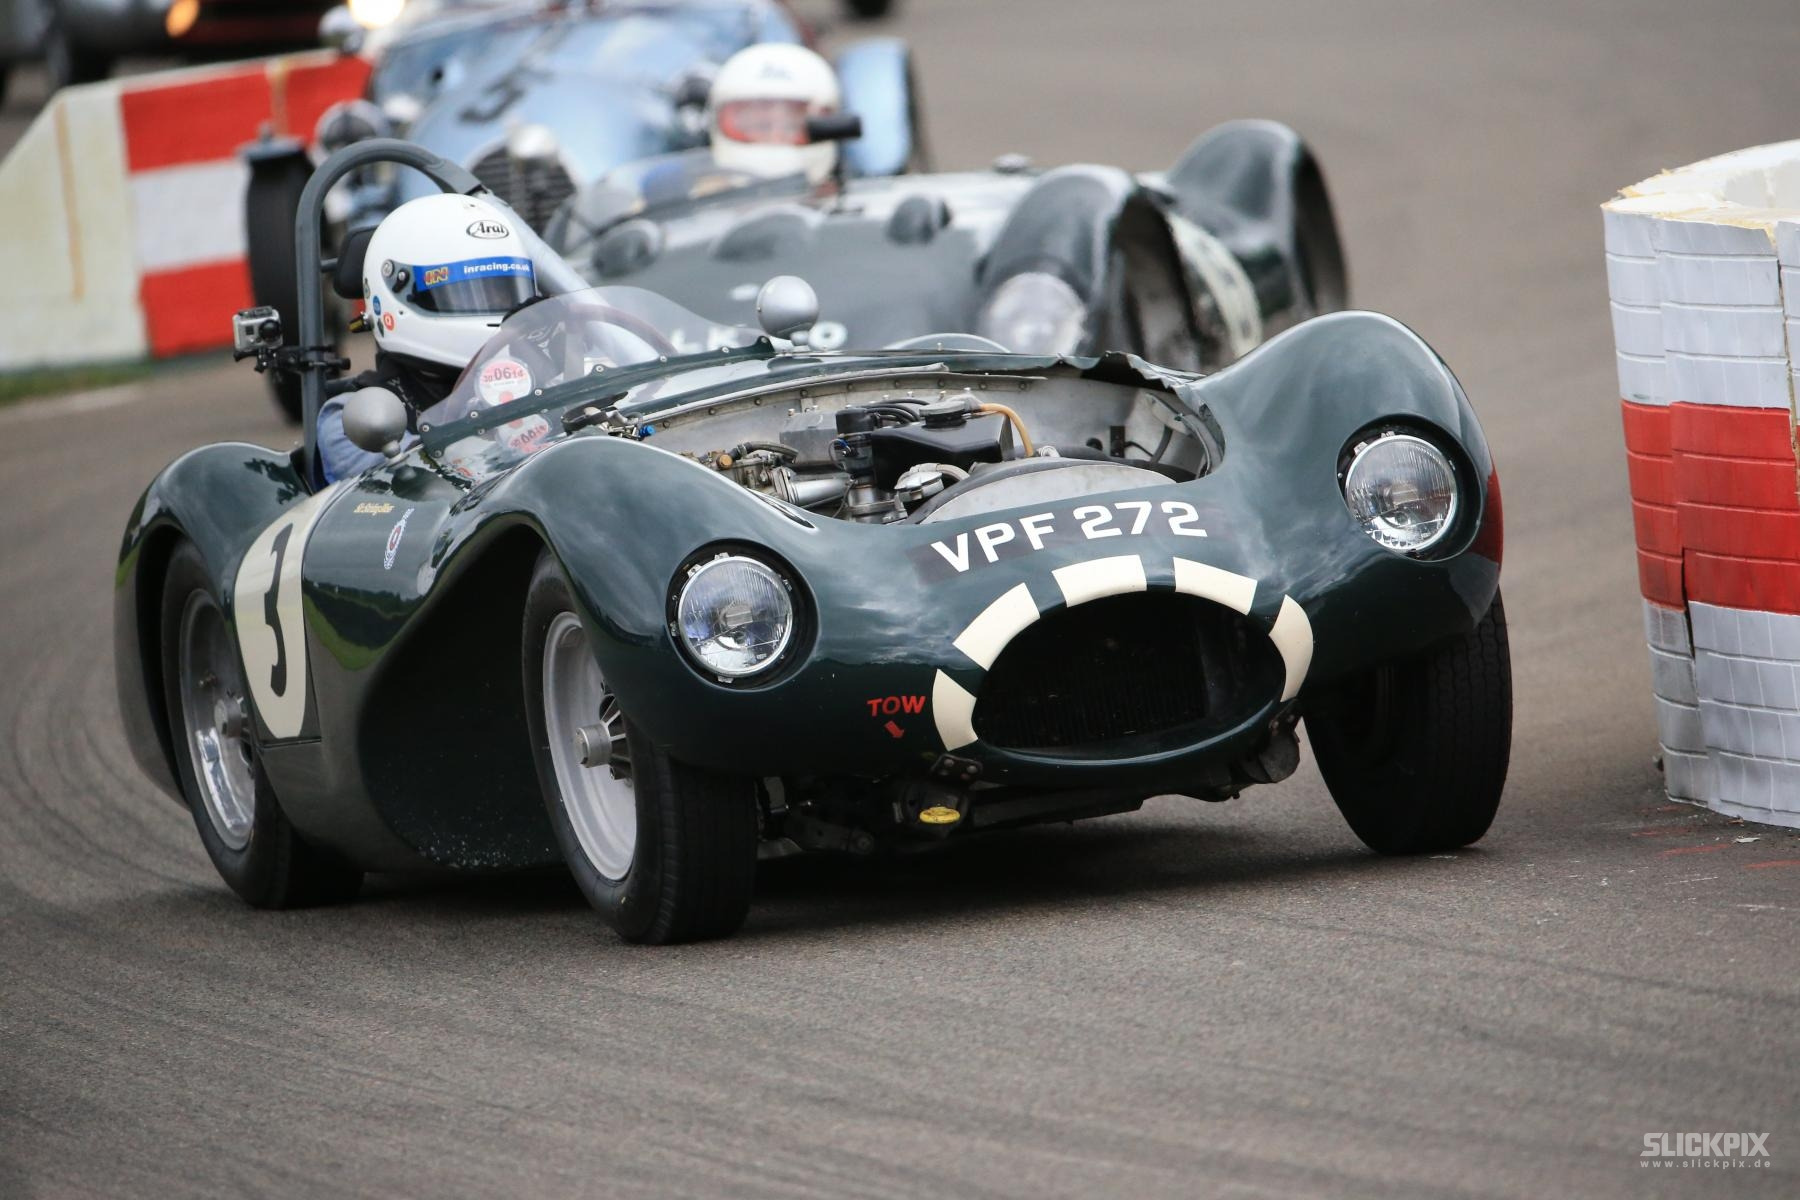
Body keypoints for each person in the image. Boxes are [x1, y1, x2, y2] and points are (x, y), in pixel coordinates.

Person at [317, 192, 541, 482]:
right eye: (466, 293)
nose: (498, 306)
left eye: (504, 292)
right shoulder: (351, 421)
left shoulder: (538, 376)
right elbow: (420, 488)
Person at [707, 43, 844, 188]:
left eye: (791, 127)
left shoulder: (852, 195)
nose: (776, 137)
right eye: (762, 126)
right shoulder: (701, 196)